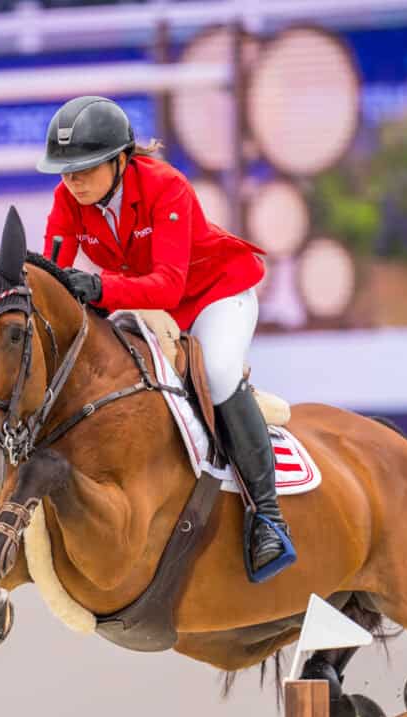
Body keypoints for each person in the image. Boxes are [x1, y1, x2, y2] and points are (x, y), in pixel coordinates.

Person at [36, 95, 295, 583]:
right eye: (65, 169)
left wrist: (99, 288)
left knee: (217, 373)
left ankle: (268, 518)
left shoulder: (166, 187)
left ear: (119, 160)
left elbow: (170, 283)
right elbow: (54, 271)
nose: (72, 179)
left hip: (217, 296)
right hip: (152, 309)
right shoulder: (67, 199)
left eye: (85, 167)